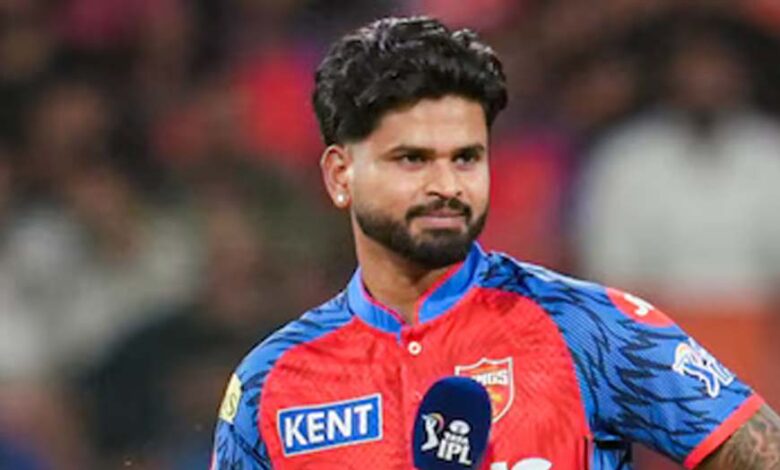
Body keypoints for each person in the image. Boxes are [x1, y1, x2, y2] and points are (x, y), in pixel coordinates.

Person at [210, 16, 780, 469]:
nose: (447, 185)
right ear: (340, 175)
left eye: (466, 158)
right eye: (412, 159)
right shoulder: (272, 383)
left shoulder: (588, 329)